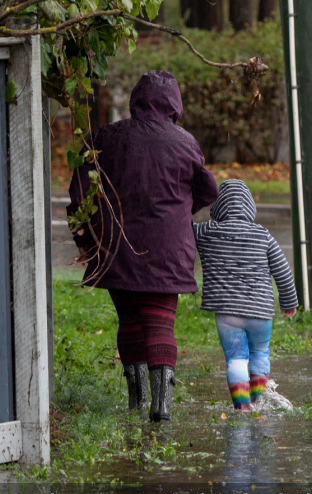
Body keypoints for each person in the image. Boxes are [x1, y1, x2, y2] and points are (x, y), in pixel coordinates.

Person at [67, 70, 219, 422]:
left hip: (117, 247)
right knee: (160, 323)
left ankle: (135, 402)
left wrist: (87, 240)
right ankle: (161, 406)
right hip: (169, 250)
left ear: (136, 99)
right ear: (175, 105)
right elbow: (207, 190)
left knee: (130, 321)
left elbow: (78, 195)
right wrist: (177, 211)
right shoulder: (186, 142)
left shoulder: (105, 137)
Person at [193, 179, 298, 411]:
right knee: (260, 352)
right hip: (260, 312)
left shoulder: (207, 231)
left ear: (217, 208)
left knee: (236, 358)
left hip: (227, 313)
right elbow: (282, 269)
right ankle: (259, 401)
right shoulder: (263, 235)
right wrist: (289, 300)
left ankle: (242, 406)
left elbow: (182, 230)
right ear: (251, 208)